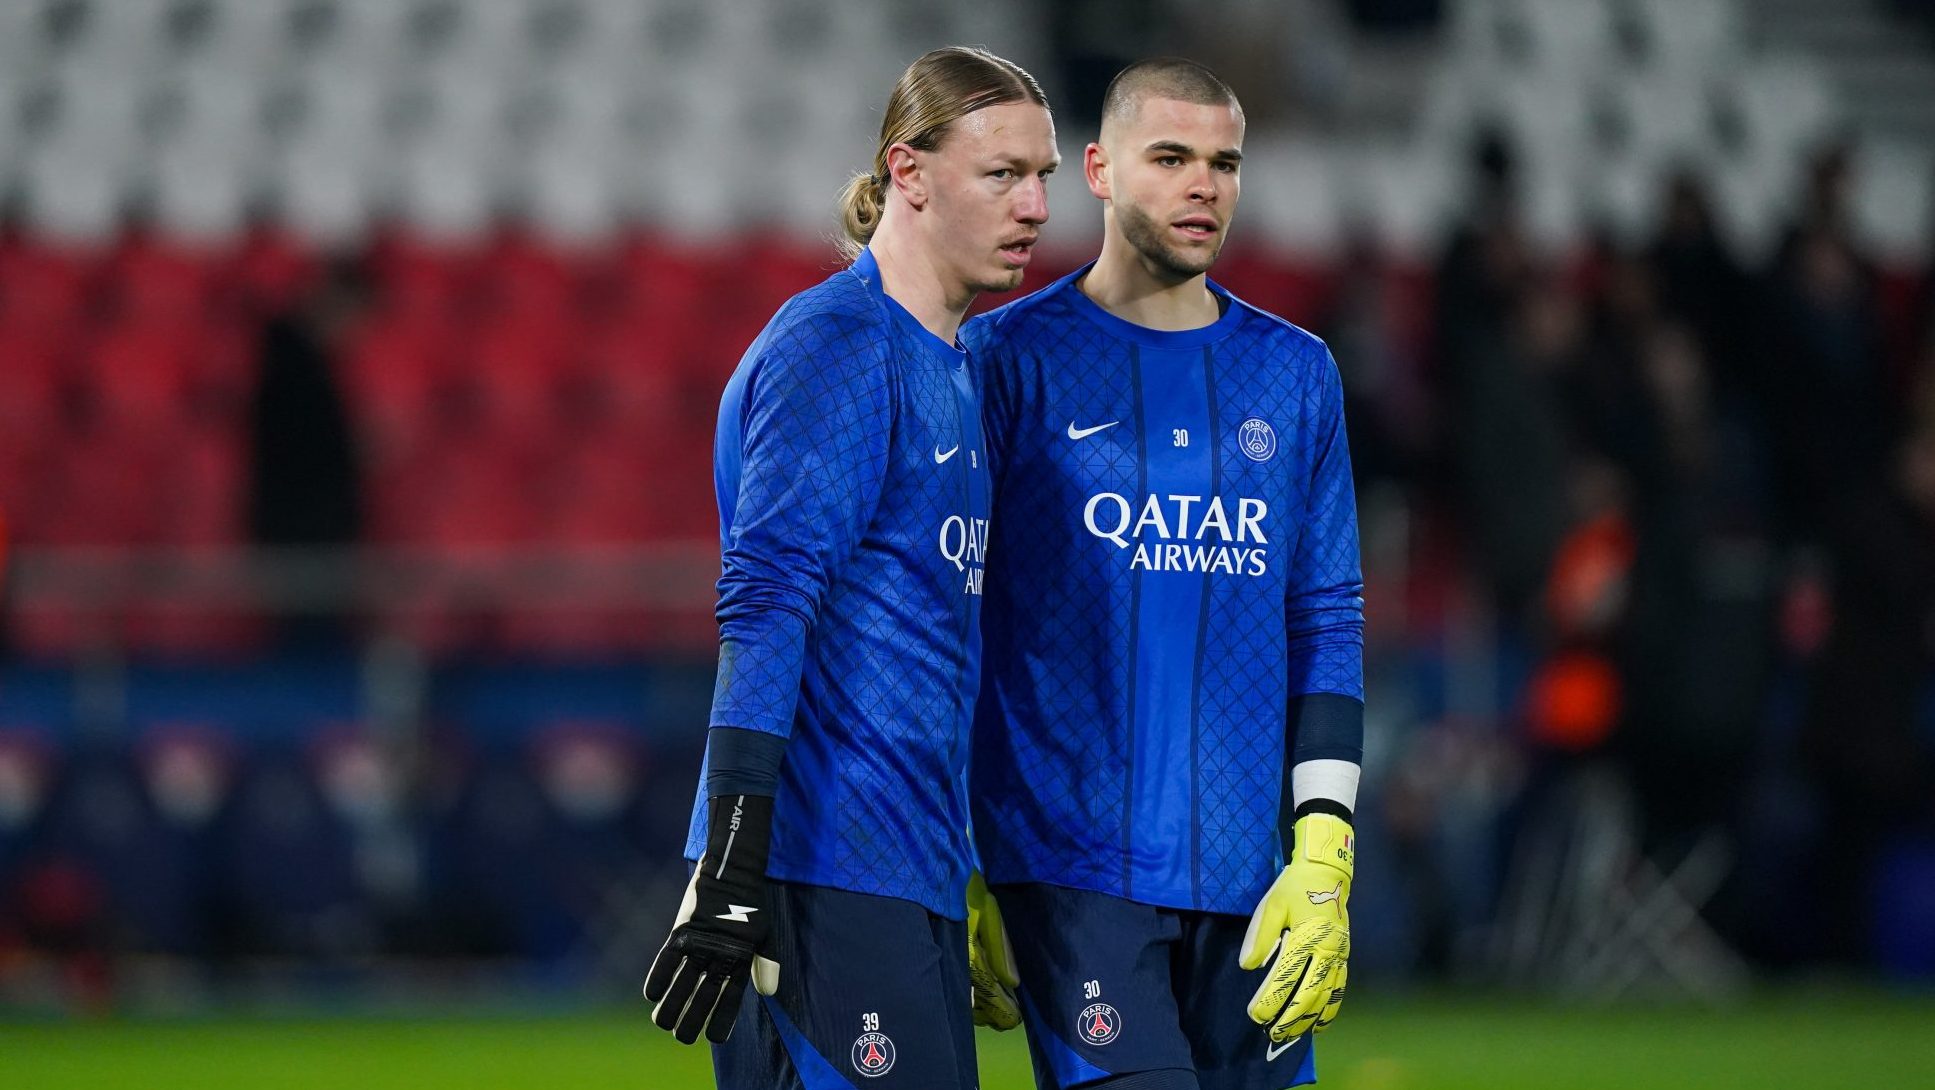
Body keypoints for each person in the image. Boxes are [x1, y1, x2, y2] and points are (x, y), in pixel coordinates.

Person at [641, 46, 1059, 1089]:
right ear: (907, 172)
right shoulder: (838, 346)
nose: (1037, 203)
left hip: (901, 871)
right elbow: (768, 608)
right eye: (1003, 172)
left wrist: (961, 858)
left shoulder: (955, 369)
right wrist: (736, 862)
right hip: (814, 870)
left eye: (1045, 175)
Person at [964, 58, 1365, 1090]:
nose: (1205, 186)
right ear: (1098, 169)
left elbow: (1325, 618)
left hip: (1253, 879)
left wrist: (1323, 848)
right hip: (1071, 875)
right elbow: (954, 615)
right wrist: (956, 846)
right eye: (1172, 158)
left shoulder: (1295, 371)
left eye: (1225, 163)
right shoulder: (1006, 359)